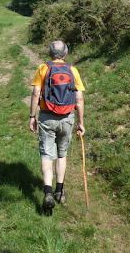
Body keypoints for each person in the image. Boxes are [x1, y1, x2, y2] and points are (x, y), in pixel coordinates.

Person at [29, 40, 85, 212]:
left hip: (47, 117)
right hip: (67, 117)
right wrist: (80, 123)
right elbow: (79, 99)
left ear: (50, 53)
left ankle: (48, 192)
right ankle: (60, 191)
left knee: (47, 155)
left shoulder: (43, 68)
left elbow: (36, 92)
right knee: (62, 154)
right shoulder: (72, 70)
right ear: (66, 54)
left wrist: (32, 116)